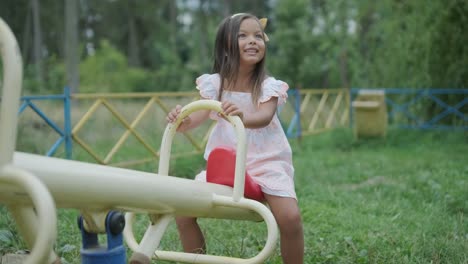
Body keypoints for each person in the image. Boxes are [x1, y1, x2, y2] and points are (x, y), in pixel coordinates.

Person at [166, 13, 304, 264]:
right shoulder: (215, 84)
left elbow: (264, 116)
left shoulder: (268, 86)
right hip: (225, 165)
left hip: (266, 162)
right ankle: (196, 260)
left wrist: (241, 116)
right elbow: (195, 118)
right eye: (243, 35)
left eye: (258, 36)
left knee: (290, 218)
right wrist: (180, 119)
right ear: (226, 45)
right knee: (183, 213)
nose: (253, 41)